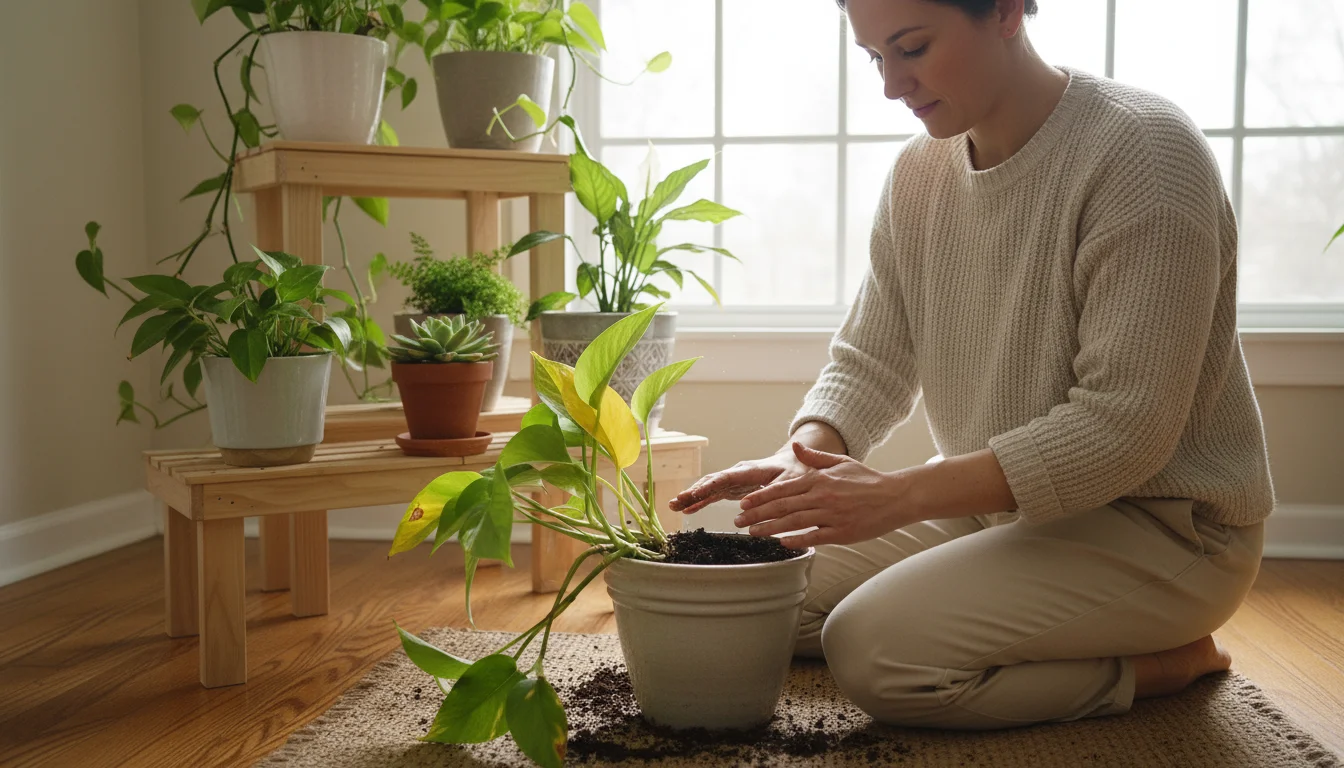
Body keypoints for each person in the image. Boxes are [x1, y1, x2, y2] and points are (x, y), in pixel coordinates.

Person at [669, 0, 1274, 730]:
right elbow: (872, 357)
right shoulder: (920, 173)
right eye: (874, 56)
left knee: (872, 651)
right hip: (993, 512)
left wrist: (901, 495)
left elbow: (1123, 430)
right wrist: (806, 459)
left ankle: (1160, 663)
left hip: (1163, 531)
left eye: (913, 47)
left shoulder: (1144, 154)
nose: (892, 84)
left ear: (1010, 10)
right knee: (744, 590)